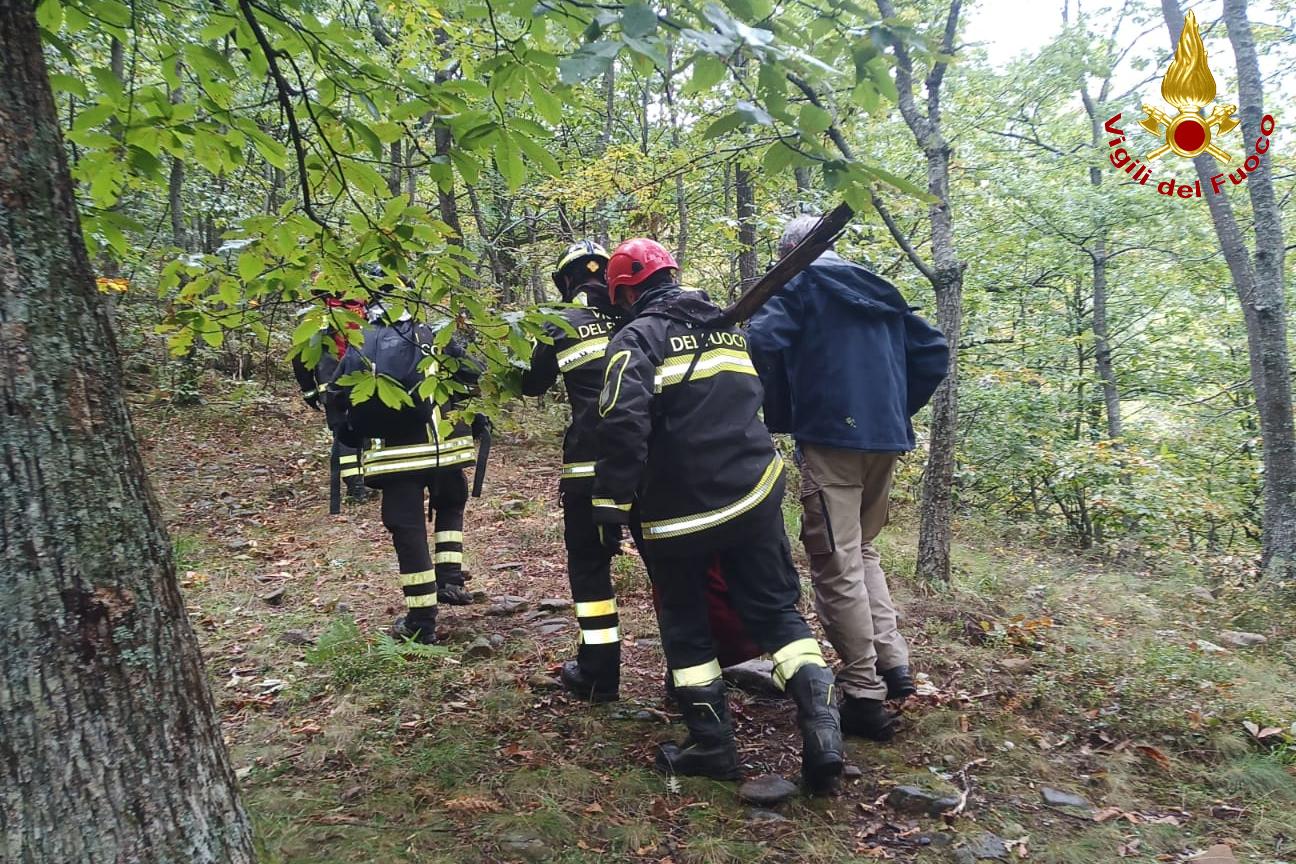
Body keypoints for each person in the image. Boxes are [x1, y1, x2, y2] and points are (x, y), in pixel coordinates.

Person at [591, 237, 843, 793]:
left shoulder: (636, 339)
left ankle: (712, 746)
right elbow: (763, 396)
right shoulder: (730, 329)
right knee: (780, 615)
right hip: (755, 493)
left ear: (626, 291)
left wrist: (612, 502)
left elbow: (620, 424)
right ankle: (824, 732)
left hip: (677, 512)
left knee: (685, 628)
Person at [747, 215, 949, 741]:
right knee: (861, 551)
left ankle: (862, 692)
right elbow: (932, 352)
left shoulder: (800, 281)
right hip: (885, 437)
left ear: (792, 250)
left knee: (835, 562)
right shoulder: (876, 287)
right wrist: (890, 407)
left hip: (834, 440)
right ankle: (892, 662)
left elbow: (759, 340)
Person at [331, 301, 486, 643]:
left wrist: (351, 435)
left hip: (394, 457)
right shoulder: (431, 335)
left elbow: (337, 396)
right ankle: (449, 579)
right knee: (450, 503)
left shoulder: (361, 344)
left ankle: (422, 621)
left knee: (408, 530)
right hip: (442, 447)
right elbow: (472, 372)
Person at [521, 240, 624, 702]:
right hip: (650, 464)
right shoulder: (635, 317)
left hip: (588, 465)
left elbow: (532, 383)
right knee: (671, 569)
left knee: (589, 566)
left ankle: (599, 673)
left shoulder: (557, 322)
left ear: (564, 282)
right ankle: (687, 675)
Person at [291, 295, 372, 504]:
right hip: (367, 382)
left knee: (343, 435)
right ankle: (369, 479)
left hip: (332, 386)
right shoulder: (364, 309)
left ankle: (356, 487)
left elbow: (301, 356)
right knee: (368, 430)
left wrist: (308, 389)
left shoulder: (316, 317)